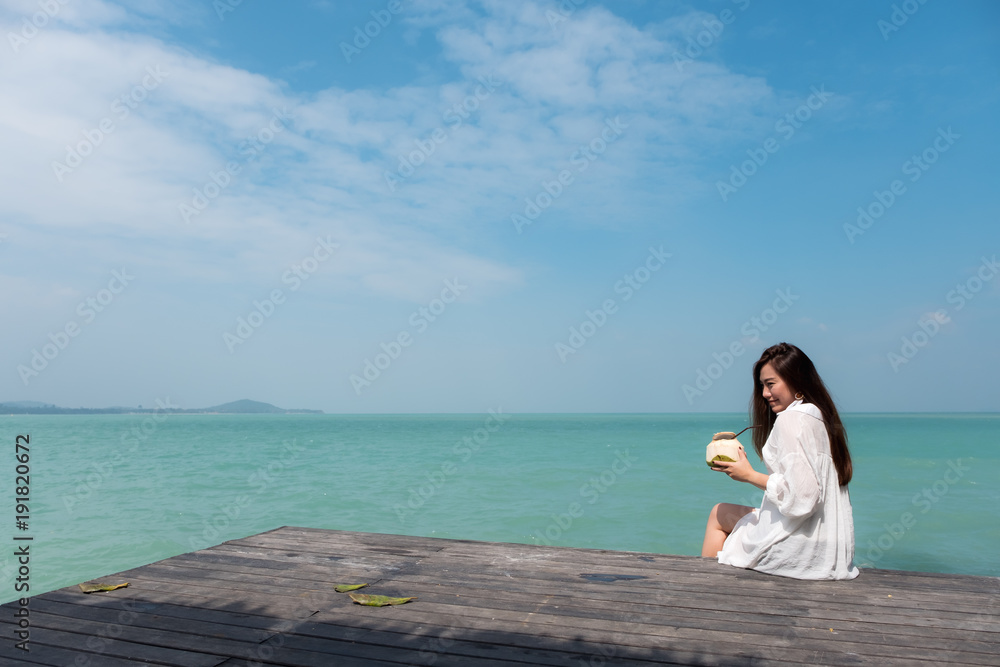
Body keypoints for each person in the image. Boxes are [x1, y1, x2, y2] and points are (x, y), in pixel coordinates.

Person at [701, 342, 859, 580]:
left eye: (771, 384)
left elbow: (804, 499)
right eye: (762, 385)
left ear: (796, 381)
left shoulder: (790, 420)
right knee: (731, 514)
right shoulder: (820, 418)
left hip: (800, 551)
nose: (765, 394)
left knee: (718, 513)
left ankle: (706, 586)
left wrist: (749, 475)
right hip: (831, 549)